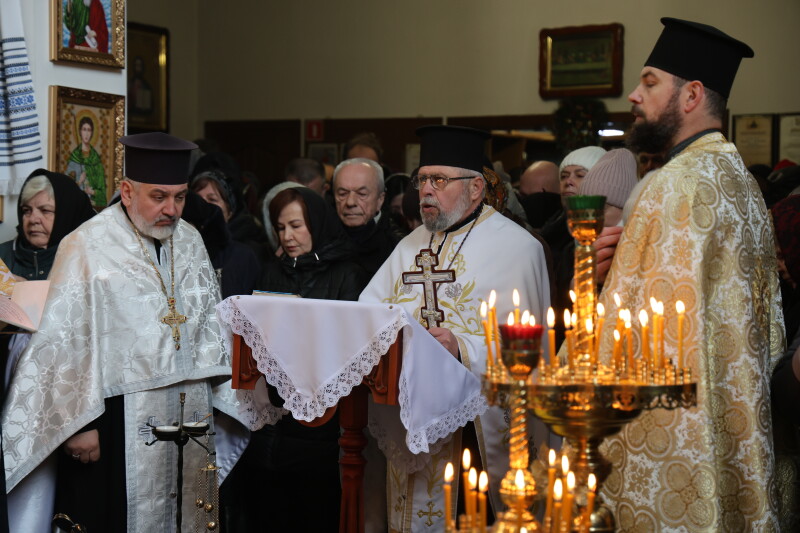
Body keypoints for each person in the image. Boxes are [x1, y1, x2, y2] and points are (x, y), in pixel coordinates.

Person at [595, 18, 784, 530]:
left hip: (677, 436)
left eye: (650, 81)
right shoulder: (740, 182)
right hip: (733, 424)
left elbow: (633, 332)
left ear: (691, 94)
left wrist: (599, 285)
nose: (635, 95)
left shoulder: (671, 186)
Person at [2, 133, 232, 532]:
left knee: (192, 515)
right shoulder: (87, 244)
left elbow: (209, 325)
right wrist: (78, 426)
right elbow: (63, 340)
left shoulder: (192, 240)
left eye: (179, 197)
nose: (171, 209)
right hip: (116, 420)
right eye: (158, 196)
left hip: (191, 413)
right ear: (127, 191)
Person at [360, 125, 552, 532]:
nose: (425, 191)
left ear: (476, 188)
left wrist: (463, 348)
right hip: (410, 419)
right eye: (423, 179)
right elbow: (367, 313)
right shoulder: (410, 245)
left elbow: (532, 351)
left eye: (439, 180)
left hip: (476, 433)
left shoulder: (518, 249)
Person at [237, 187, 365, 532]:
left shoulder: (346, 274)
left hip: (320, 429)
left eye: (296, 225)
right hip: (271, 427)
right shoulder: (272, 272)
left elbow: (348, 351)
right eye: (280, 228)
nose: (287, 236)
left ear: (317, 224)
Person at [333, 157, 401, 277]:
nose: (350, 202)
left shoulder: (397, 246)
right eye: (342, 194)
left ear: (380, 199)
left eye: (362, 194)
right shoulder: (320, 239)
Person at [65, 116, 106, 207]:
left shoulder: (96, 160)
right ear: (80, 132)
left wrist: (92, 191)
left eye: (89, 130)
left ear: (92, 133)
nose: (86, 133)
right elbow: (65, 189)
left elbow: (103, 193)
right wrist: (79, 181)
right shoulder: (74, 157)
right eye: (84, 129)